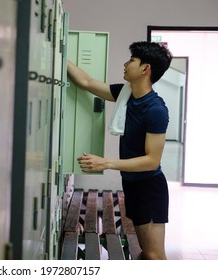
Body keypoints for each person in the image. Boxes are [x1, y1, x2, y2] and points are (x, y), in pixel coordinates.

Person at [67, 41, 173, 260]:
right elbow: (86, 82)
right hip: (132, 185)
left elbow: (152, 160)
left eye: (132, 60)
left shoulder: (155, 109)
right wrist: (56, 52)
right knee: (147, 253)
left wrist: (106, 163)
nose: (126, 63)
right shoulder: (127, 94)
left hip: (149, 188)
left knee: (154, 256)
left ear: (146, 69)